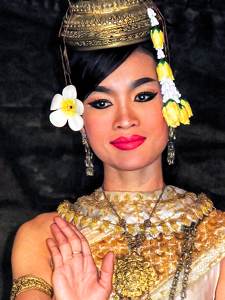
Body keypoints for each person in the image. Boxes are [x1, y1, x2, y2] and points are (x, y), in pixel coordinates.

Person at [10, 0, 225, 299]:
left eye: (144, 96)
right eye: (101, 103)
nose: (125, 119)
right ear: (80, 119)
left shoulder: (219, 236)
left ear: (170, 102)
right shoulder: (45, 238)